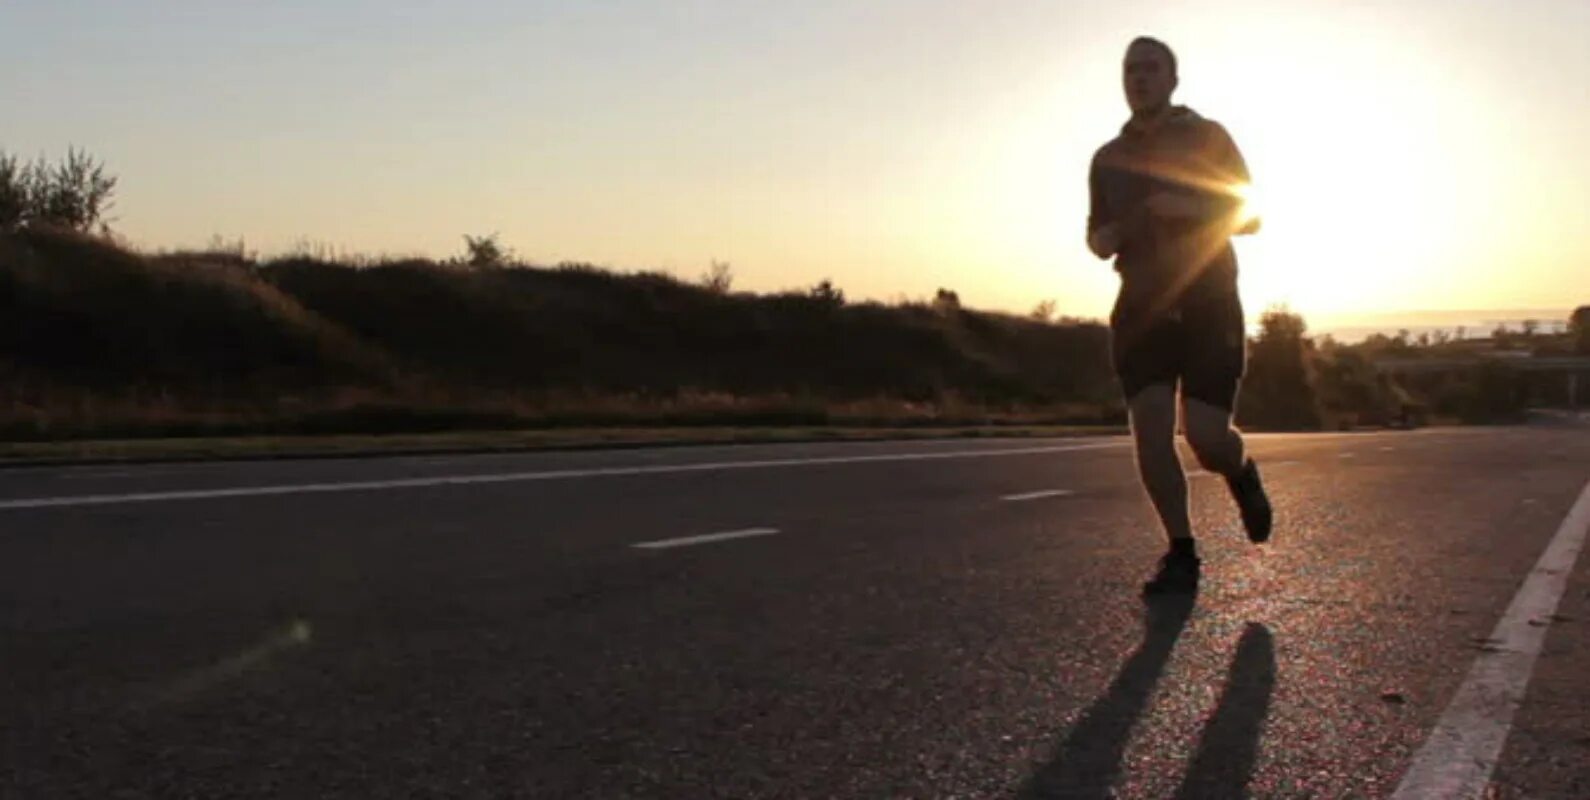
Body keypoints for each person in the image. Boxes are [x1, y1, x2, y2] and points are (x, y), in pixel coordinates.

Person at [1085, 36, 1272, 595]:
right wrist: (1106, 238)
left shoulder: (1207, 136)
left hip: (1208, 299)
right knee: (1149, 428)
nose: (1138, 77)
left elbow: (1250, 215)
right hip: (1142, 305)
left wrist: (1187, 208)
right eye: (1129, 69)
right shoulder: (1106, 157)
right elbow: (1093, 237)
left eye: (1149, 68)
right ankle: (1181, 552)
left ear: (1172, 78)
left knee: (1208, 438)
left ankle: (1240, 473)